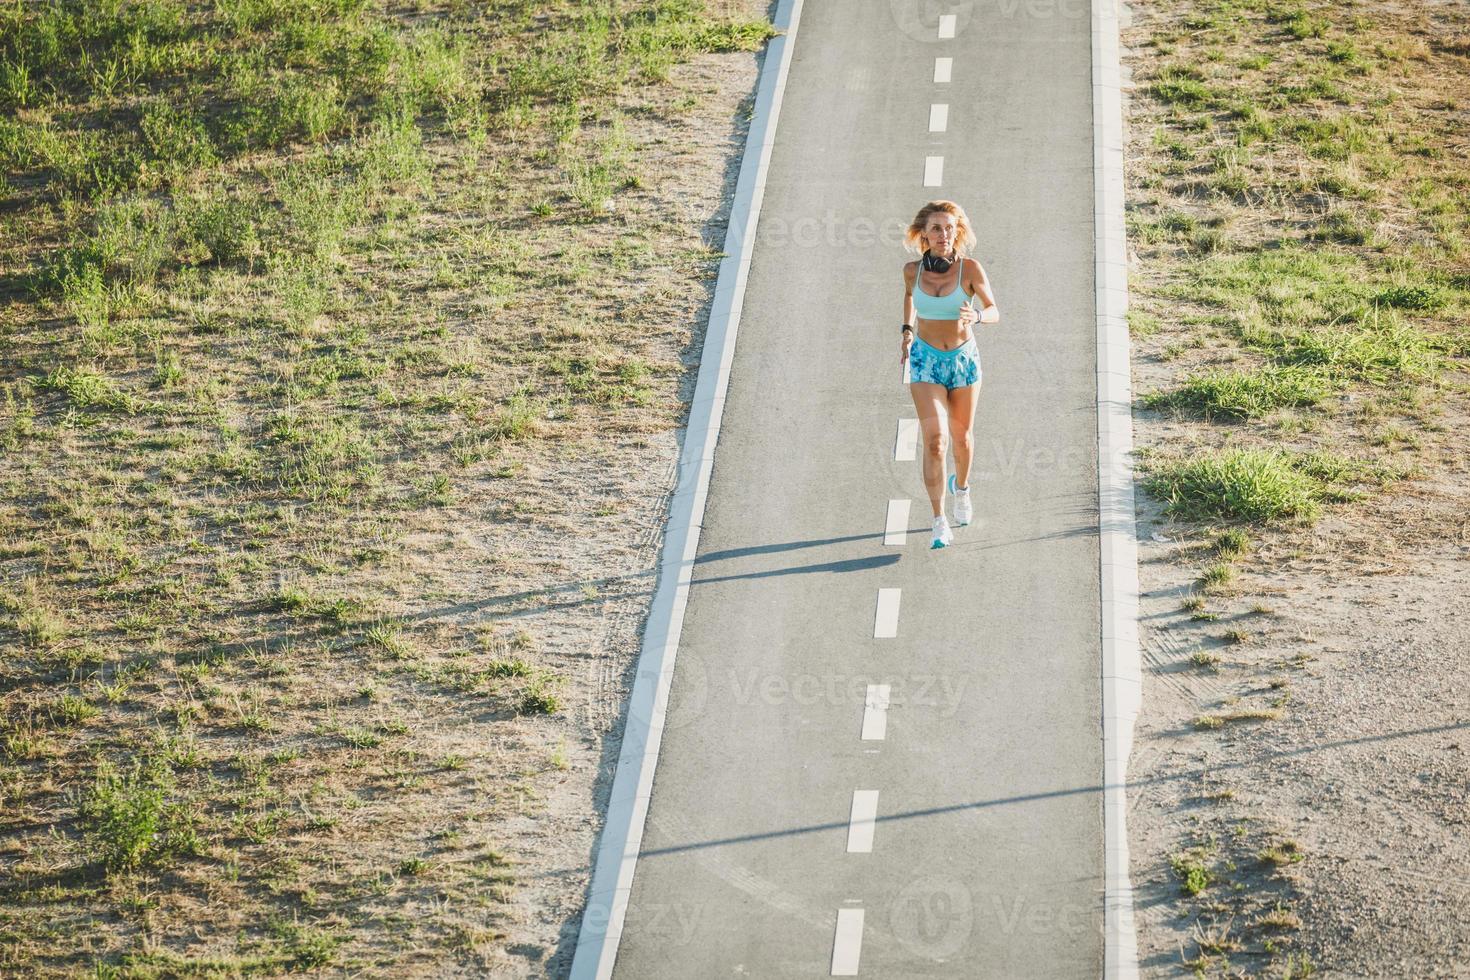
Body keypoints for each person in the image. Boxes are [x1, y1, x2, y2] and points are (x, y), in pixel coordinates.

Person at [900, 200, 1000, 549]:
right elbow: (910, 298)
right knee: (936, 440)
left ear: (958, 232)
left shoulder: (970, 269)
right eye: (937, 228)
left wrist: (978, 318)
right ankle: (939, 520)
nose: (944, 235)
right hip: (926, 362)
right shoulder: (912, 271)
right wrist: (906, 330)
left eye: (950, 228)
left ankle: (963, 489)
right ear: (924, 235)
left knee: (963, 439)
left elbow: (993, 310)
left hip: (963, 361)